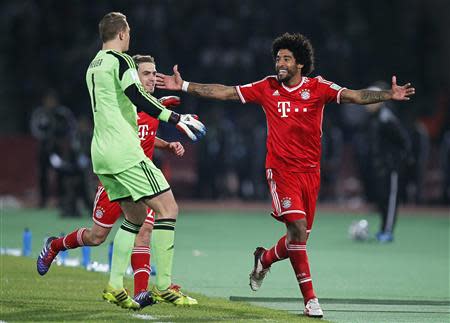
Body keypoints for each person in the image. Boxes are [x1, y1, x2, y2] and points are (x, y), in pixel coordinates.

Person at [156, 32, 415, 318]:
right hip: (280, 171)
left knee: (298, 238)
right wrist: (185, 85)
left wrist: (388, 95)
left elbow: (355, 96)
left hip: (310, 173)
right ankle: (311, 300)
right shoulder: (267, 87)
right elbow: (226, 91)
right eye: (278, 58)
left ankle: (264, 259)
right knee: (298, 231)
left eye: (286, 58)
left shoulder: (318, 88)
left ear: (300, 64)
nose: (280, 63)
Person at [37, 12, 206, 310]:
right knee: (168, 208)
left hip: (101, 154)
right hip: (125, 153)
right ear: (123, 33)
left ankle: (116, 286)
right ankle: (164, 285)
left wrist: (164, 121)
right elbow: (136, 96)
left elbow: (126, 103)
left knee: (137, 218)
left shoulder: (94, 65)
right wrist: (176, 118)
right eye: (129, 32)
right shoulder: (122, 61)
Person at [103, 54, 197, 307]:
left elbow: (145, 128)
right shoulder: (129, 101)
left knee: (138, 224)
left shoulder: (142, 103)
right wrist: (173, 115)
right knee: (96, 235)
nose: (153, 78)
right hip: (130, 166)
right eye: (146, 73)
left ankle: (124, 287)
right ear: (133, 76)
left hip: (119, 166)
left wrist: (166, 143)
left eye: (154, 74)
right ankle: (163, 286)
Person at [364, 83, 413, 242]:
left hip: (391, 168)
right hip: (380, 167)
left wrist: (396, 162)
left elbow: (404, 141)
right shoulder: (375, 119)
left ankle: (388, 231)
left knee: (391, 200)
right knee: (382, 199)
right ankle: (383, 229)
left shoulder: (387, 119)